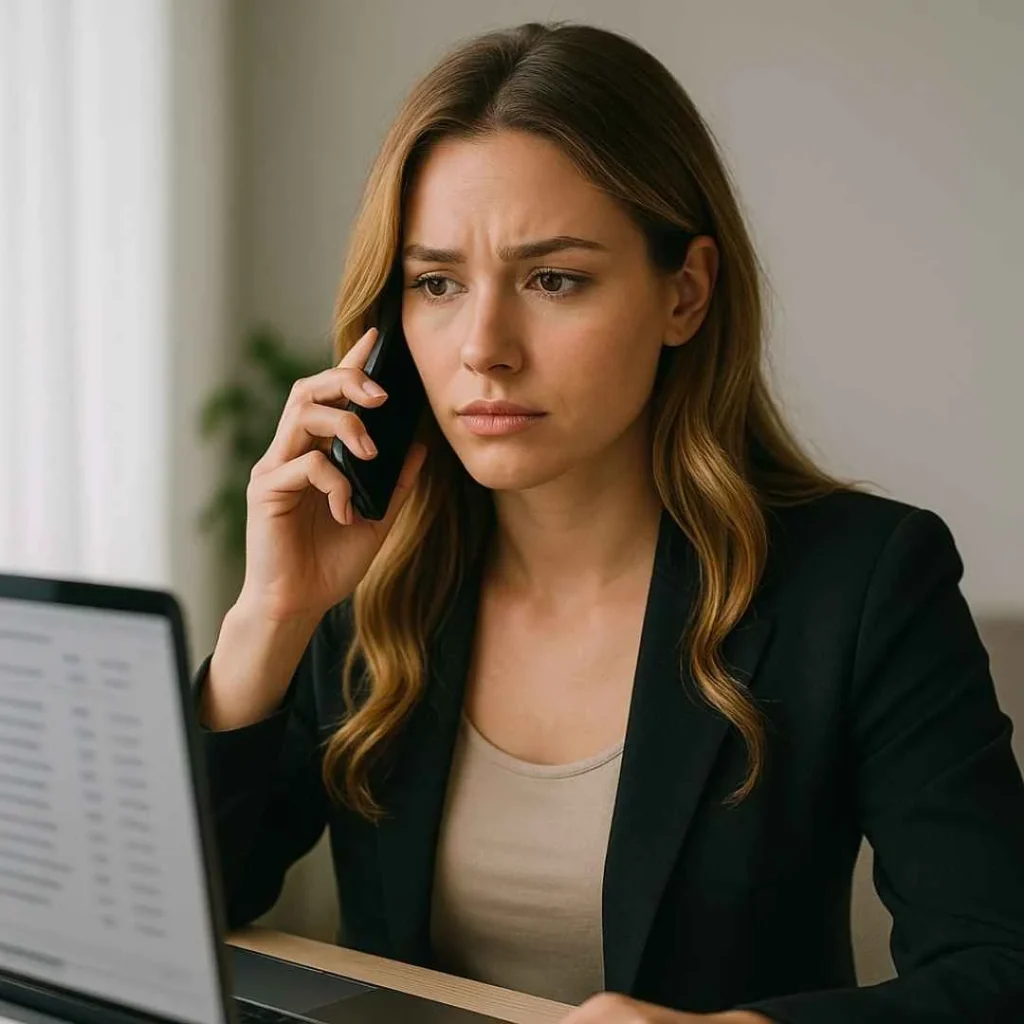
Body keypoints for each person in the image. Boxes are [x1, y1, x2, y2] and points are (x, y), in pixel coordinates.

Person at [192, 20, 1024, 1024]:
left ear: (685, 292)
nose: (483, 348)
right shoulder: (372, 580)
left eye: (554, 279)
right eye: (437, 283)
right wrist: (267, 619)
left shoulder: (863, 581)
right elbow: (173, 922)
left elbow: (994, 969)